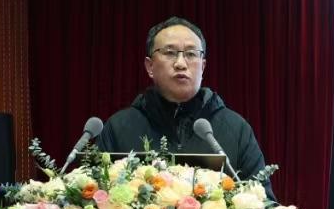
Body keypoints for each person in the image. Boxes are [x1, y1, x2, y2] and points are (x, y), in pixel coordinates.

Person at [96, 16, 271, 193]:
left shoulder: (236, 129)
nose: (180, 64)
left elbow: (264, 202)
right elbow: (91, 196)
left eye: (191, 54)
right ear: (149, 66)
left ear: (203, 67)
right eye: (170, 53)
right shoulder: (118, 128)